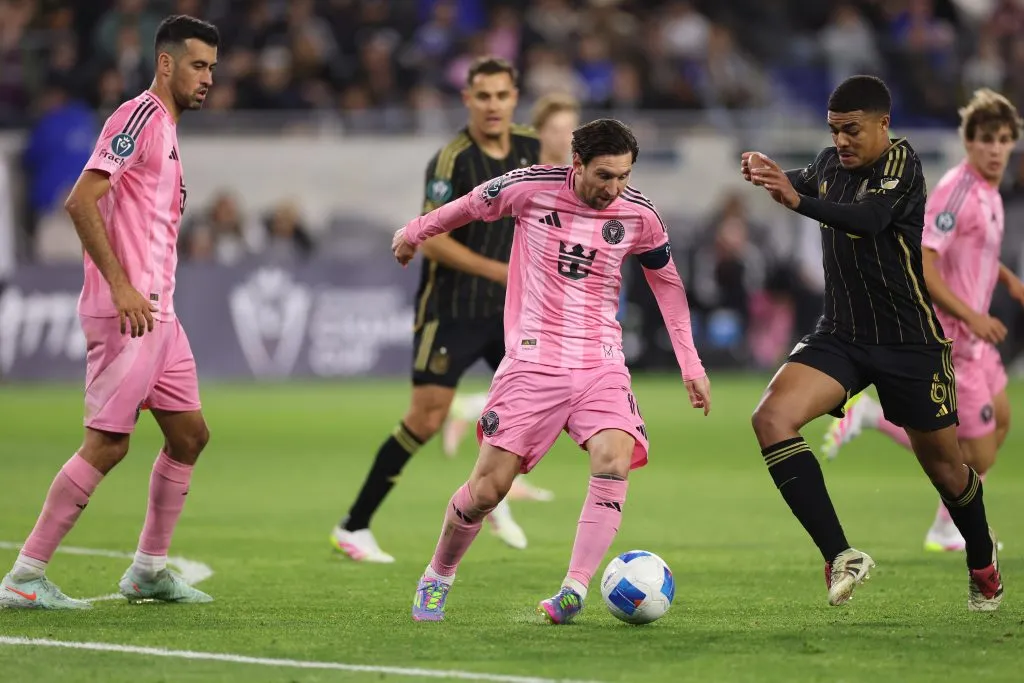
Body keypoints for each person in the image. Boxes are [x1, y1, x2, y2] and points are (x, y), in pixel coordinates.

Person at [392, 118, 711, 623]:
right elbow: (470, 204)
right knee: (485, 493)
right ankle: (439, 573)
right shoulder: (531, 188)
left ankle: (574, 590)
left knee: (614, 459)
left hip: (600, 362)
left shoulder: (639, 214)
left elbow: (667, 285)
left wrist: (690, 363)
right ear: (577, 164)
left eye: (624, 176)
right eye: (605, 176)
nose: (615, 188)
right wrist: (414, 231)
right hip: (532, 365)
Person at [745, 75, 1003, 612]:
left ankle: (982, 560)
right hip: (841, 333)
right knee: (771, 419)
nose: (841, 140)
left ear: (883, 124)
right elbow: (802, 180)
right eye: (834, 130)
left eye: (852, 130)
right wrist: (766, 173)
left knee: (948, 471)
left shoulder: (903, 166)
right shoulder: (828, 164)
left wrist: (795, 200)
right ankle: (840, 555)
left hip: (909, 342)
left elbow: (868, 220)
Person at [0, 15, 219, 609]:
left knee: (189, 434)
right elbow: (81, 200)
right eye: (198, 66)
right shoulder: (139, 118)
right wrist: (121, 287)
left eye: (213, 69)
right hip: (128, 312)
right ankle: (25, 574)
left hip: (160, 317)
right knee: (107, 443)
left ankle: (147, 571)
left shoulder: (169, 132)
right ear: (166, 63)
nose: (207, 79)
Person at [330, 57, 540, 563]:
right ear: (467, 99)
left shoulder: (533, 148)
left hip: (511, 313)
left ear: (515, 99)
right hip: (450, 310)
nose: (492, 105)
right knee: (423, 419)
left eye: (502, 95)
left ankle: (493, 494)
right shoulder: (451, 161)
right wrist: (500, 271)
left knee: (537, 404)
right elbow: (433, 236)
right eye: (483, 96)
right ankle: (353, 526)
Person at [821, 89, 1023, 552]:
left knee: (1003, 420)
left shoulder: (991, 192)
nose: (996, 149)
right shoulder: (960, 190)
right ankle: (871, 416)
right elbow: (925, 261)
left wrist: (1006, 278)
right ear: (968, 142)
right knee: (973, 452)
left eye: (1004, 139)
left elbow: (977, 252)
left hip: (977, 336)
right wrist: (973, 313)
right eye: (986, 139)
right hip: (954, 334)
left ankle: (945, 524)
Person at [442, 92, 582, 505]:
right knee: (528, 379)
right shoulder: (525, 176)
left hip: (552, 296)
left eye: (573, 129)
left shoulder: (578, 177)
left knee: (531, 383)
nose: (567, 137)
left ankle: (494, 453)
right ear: (540, 133)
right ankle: (476, 424)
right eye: (557, 129)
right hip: (512, 291)